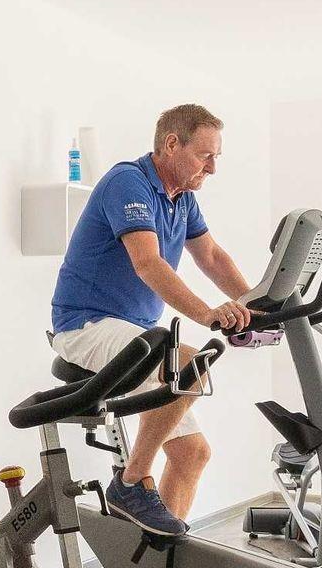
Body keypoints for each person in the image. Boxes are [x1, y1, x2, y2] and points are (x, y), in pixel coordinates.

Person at [49, 105, 254, 537]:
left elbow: (212, 258)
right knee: (190, 363)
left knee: (192, 454)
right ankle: (130, 484)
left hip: (136, 334)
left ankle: (159, 564)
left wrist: (258, 306)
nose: (212, 168)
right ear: (172, 144)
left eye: (216, 157)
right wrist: (208, 313)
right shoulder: (128, 182)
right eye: (205, 156)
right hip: (86, 325)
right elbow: (147, 263)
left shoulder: (183, 199)